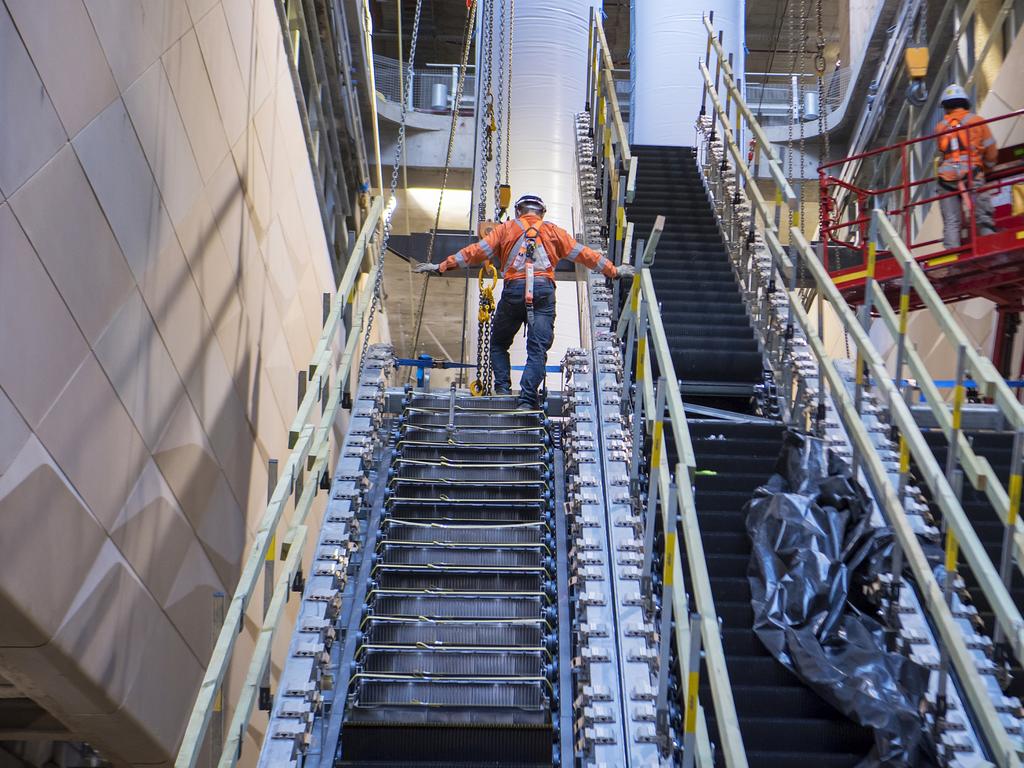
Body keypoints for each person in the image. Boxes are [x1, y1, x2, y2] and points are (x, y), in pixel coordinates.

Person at [415, 194, 635, 409]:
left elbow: (475, 253)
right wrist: (613, 271)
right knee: (537, 350)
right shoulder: (554, 231)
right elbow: (585, 254)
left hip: (514, 292)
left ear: (518, 211)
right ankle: (527, 400)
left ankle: (502, 390)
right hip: (543, 293)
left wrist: (442, 266)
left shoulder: (505, 229)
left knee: (499, 344)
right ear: (542, 213)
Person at [935, 83, 998, 248]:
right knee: (982, 216)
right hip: (972, 173)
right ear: (965, 103)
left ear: (946, 107)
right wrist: (988, 168)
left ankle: (952, 259)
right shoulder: (977, 121)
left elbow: (943, 152)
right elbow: (991, 152)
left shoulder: (940, 127)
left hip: (946, 180)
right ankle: (991, 248)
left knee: (951, 222)